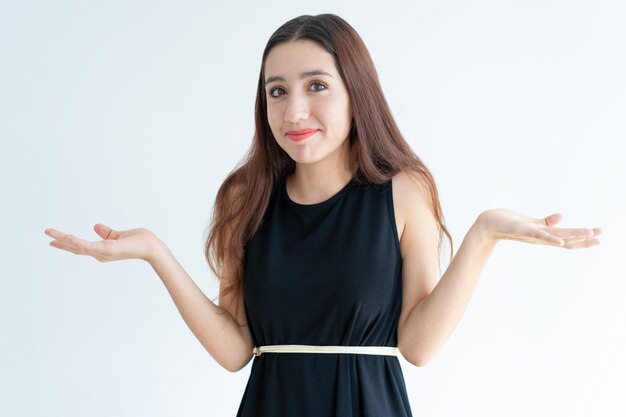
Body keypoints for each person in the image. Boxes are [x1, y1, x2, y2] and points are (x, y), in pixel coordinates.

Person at [44, 13, 602, 417]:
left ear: (356, 93)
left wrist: (484, 234)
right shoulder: (245, 199)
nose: (295, 111)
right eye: (277, 91)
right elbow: (237, 349)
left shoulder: (403, 193)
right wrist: (153, 252)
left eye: (317, 86)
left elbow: (419, 346)